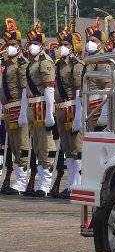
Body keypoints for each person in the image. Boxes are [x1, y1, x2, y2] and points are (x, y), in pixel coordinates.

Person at [24, 27, 57, 197]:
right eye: (30, 43)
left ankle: (45, 183)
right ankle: (39, 182)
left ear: (42, 45)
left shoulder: (45, 61)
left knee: (46, 144)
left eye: (35, 43)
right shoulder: (32, 62)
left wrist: (49, 113)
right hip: (32, 107)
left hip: (42, 107)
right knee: (36, 145)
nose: (32, 46)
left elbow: (49, 87)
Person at [52, 31, 84, 198]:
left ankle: (78, 184)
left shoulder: (76, 64)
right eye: (61, 44)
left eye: (65, 44)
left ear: (72, 47)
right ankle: (71, 183)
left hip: (73, 107)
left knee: (77, 147)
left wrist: (79, 113)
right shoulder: (58, 64)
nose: (62, 47)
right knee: (67, 149)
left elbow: (79, 91)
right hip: (61, 110)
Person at [0, 20, 29, 195]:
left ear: (19, 45)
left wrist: (23, 112)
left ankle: (22, 181)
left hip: (19, 106)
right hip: (9, 108)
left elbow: (25, 89)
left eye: (12, 44)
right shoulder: (8, 63)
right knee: (14, 145)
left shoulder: (21, 63)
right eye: (7, 44)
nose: (9, 47)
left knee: (22, 144)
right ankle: (17, 180)